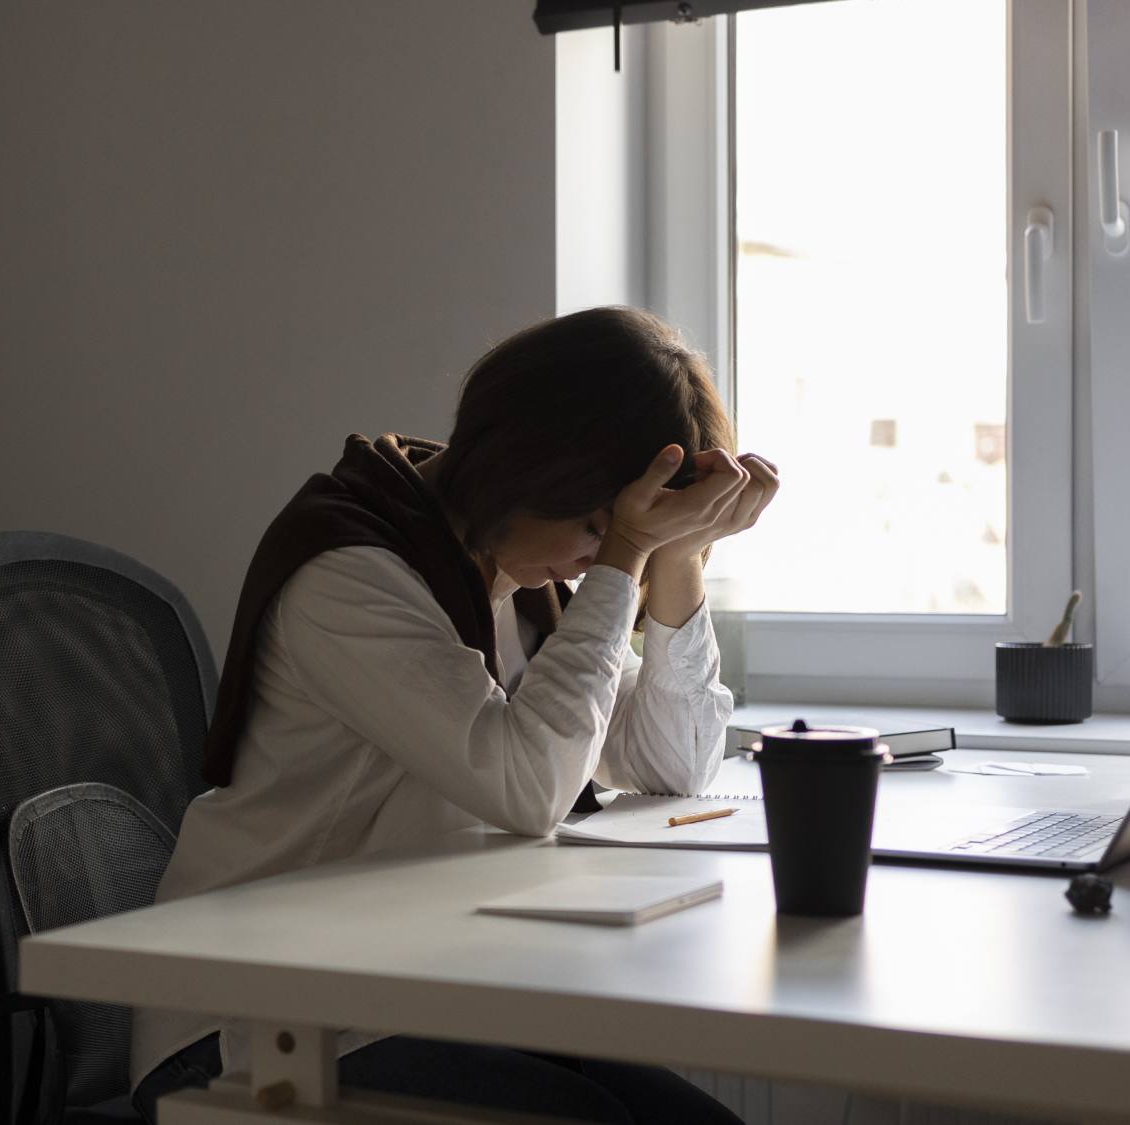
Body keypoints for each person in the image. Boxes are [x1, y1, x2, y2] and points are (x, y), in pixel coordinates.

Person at [131, 307, 778, 1123]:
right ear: (532, 465)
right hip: (257, 1024)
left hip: (415, 991)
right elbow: (527, 785)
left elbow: (671, 764)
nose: (594, 555)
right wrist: (622, 561)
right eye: (592, 526)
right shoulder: (350, 570)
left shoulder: (523, 577)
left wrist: (676, 555)